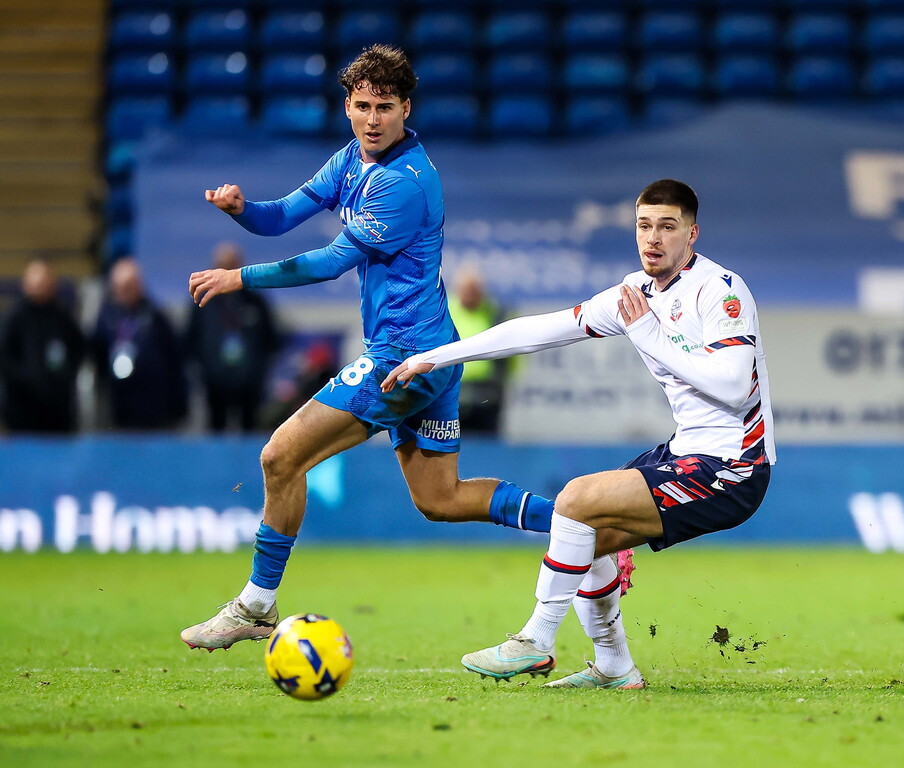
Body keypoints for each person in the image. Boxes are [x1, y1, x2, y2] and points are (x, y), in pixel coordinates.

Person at [179, 45, 630, 652]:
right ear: (347, 106)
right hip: (434, 356)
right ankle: (584, 528)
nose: (372, 119)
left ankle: (257, 605)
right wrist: (243, 212)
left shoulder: (405, 182)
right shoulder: (351, 160)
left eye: (384, 108)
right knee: (440, 500)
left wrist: (242, 277)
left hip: (401, 356)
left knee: (279, 458)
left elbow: (333, 260)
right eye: (362, 106)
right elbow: (283, 214)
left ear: (405, 108)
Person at [383, 179, 775, 689]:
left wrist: (651, 336)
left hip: (734, 467)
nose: (653, 238)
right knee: (585, 538)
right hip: (685, 453)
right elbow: (539, 330)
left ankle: (535, 639)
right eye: (644, 226)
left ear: (692, 234)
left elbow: (733, 387)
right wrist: (438, 355)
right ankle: (614, 666)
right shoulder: (634, 294)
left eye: (667, 227)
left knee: (575, 501)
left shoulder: (720, 290)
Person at [184, 242, 279, 432]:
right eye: (222, 265)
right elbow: (191, 340)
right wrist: (204, 371)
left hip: (249, 385)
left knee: (250, 428)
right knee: (214, 428)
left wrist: (258, 371)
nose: (226, 270)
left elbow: (271, 339)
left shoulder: (256, 302)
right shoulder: (203, 302)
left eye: (231, 265)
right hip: (214, 383)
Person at [91, 257, 188, 430]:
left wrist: (178, 404)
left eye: (129, 286)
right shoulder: (106, 317)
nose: (125, 292)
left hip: (155, 406)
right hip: (119, 405)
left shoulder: (155, 316)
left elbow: (174, 360)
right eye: (121, 288)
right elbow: (98, 356)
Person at [0, 259, 85, 433]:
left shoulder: (62, 317)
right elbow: (4, 357)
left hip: (58, 411)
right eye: (37, 284)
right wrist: (26, 378)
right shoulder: (14, 318)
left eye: (45, 283)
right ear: (25, 285)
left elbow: (79, 348)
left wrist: (66, 374)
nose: (41, 287)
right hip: (23, 410)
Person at [446, 264, 508, 433]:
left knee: (485, 447)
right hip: (449, 393)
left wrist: (501, 382)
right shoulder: (443, 311)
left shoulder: (495, 312)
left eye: (474, 290)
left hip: (487, 395)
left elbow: (513, 358)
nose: (469, 294)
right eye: (466, 289)